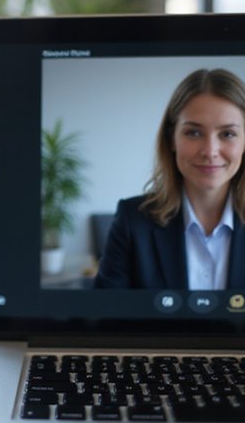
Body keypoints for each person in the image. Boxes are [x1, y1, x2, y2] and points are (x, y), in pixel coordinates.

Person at [94, 68, 245, 290]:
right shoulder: (132, 221)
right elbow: (104, 319)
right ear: (171, 139)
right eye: (194, 132)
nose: (210, 151)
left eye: (228, 134)